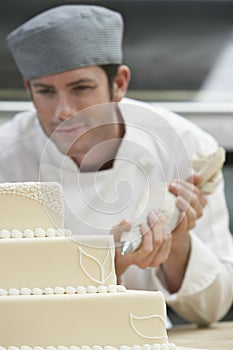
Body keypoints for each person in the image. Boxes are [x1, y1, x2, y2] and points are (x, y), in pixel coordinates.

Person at [2, 4, 233, 325]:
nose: (63, 111)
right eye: (45, 92)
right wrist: (109, 264)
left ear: (120, 83)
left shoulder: (187, 146)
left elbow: (213, 309)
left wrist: (178, 243)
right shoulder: (6, 155)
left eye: (81, 88)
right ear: (29, 89)